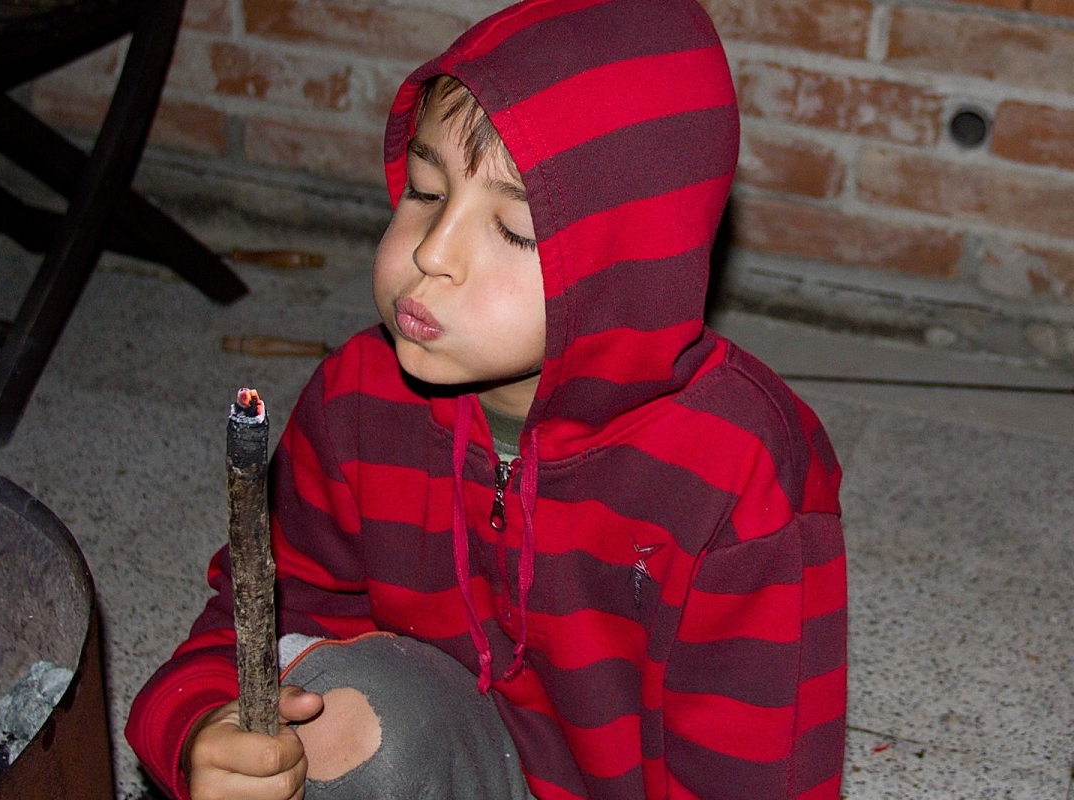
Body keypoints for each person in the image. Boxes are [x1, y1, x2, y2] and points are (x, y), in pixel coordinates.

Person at [125, 0, 848, 797]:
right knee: (319, 727)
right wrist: (200, 731)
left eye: (514, 230)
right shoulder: (356, 399)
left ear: (630, 267)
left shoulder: (738, 479)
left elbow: (754, 775)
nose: (433, 253)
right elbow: (259, 621)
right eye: (426, 192)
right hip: (455, 753)